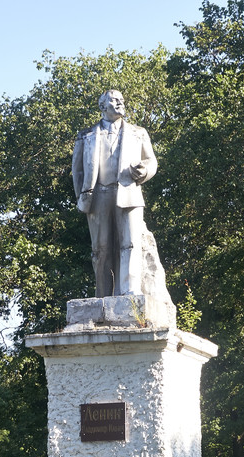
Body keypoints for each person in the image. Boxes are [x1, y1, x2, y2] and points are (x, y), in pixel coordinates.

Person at [72, 90, 170, 301]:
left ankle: (129, 291)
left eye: (121, 100)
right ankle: (103, 295)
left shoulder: (139, 132)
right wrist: (83, 197)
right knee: (100, 249)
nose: (120, 102)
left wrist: (144, 171)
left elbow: (151, 161)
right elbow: (77, 170)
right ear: (103, 106)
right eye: (114, 100)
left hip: (129, 192)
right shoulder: (86, 135)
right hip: (98, 195)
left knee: (130, 243)